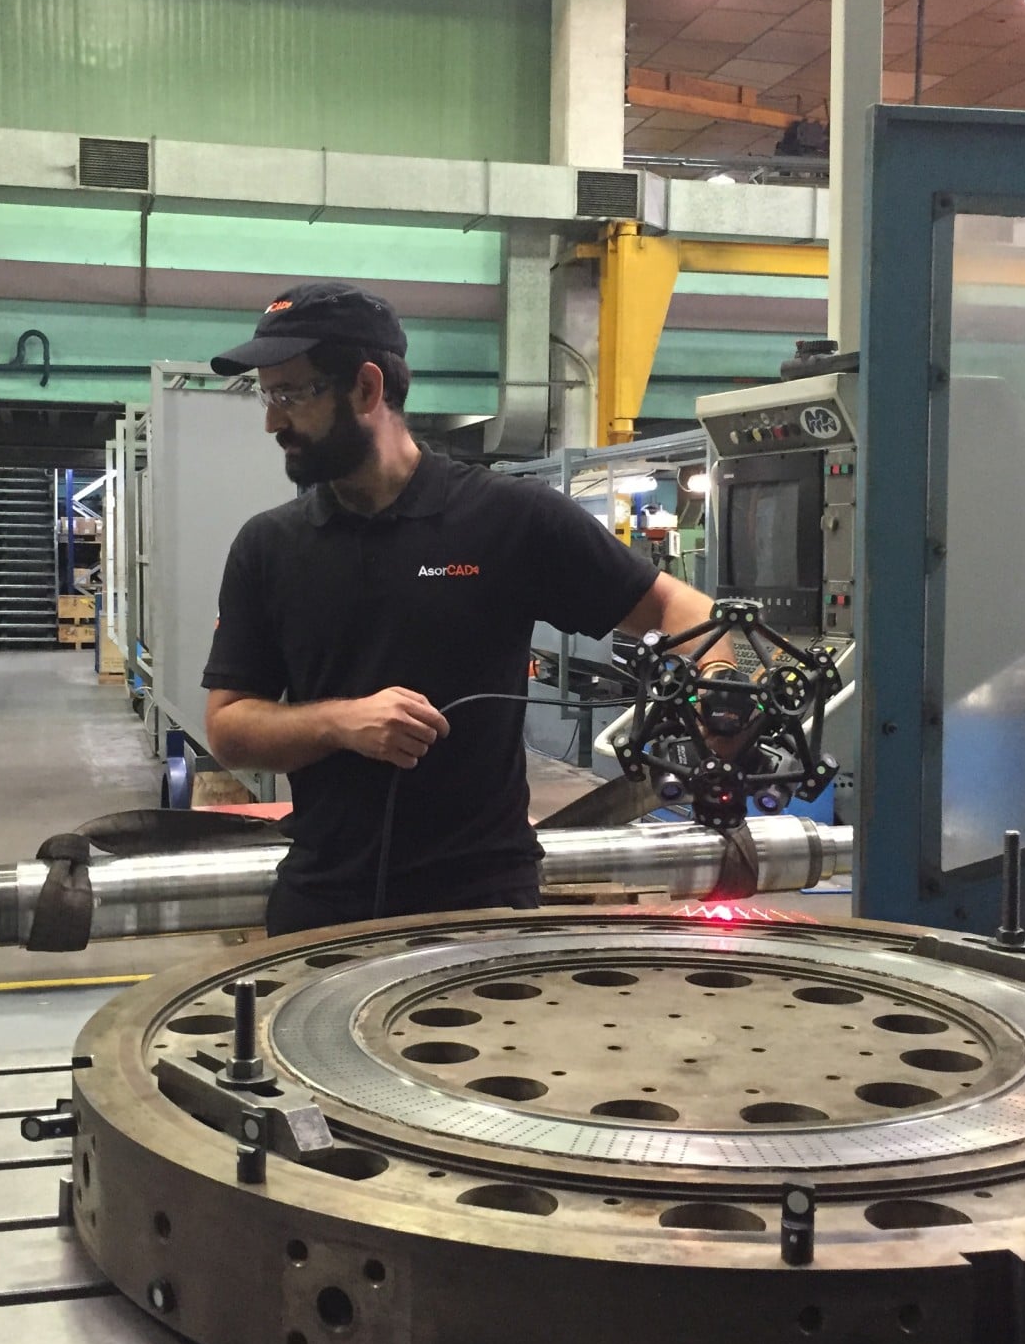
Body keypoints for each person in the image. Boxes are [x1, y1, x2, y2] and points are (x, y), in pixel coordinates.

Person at [201, 282, 725, 936]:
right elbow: (229, 728)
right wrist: (340, 723)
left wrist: (720, 687)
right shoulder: (268, 547)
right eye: (267, 396)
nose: (272, 422)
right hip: (322, 903)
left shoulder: (507, 519)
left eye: (289, 395)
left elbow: (681, 608)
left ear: (366, 389)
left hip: (484, 904)